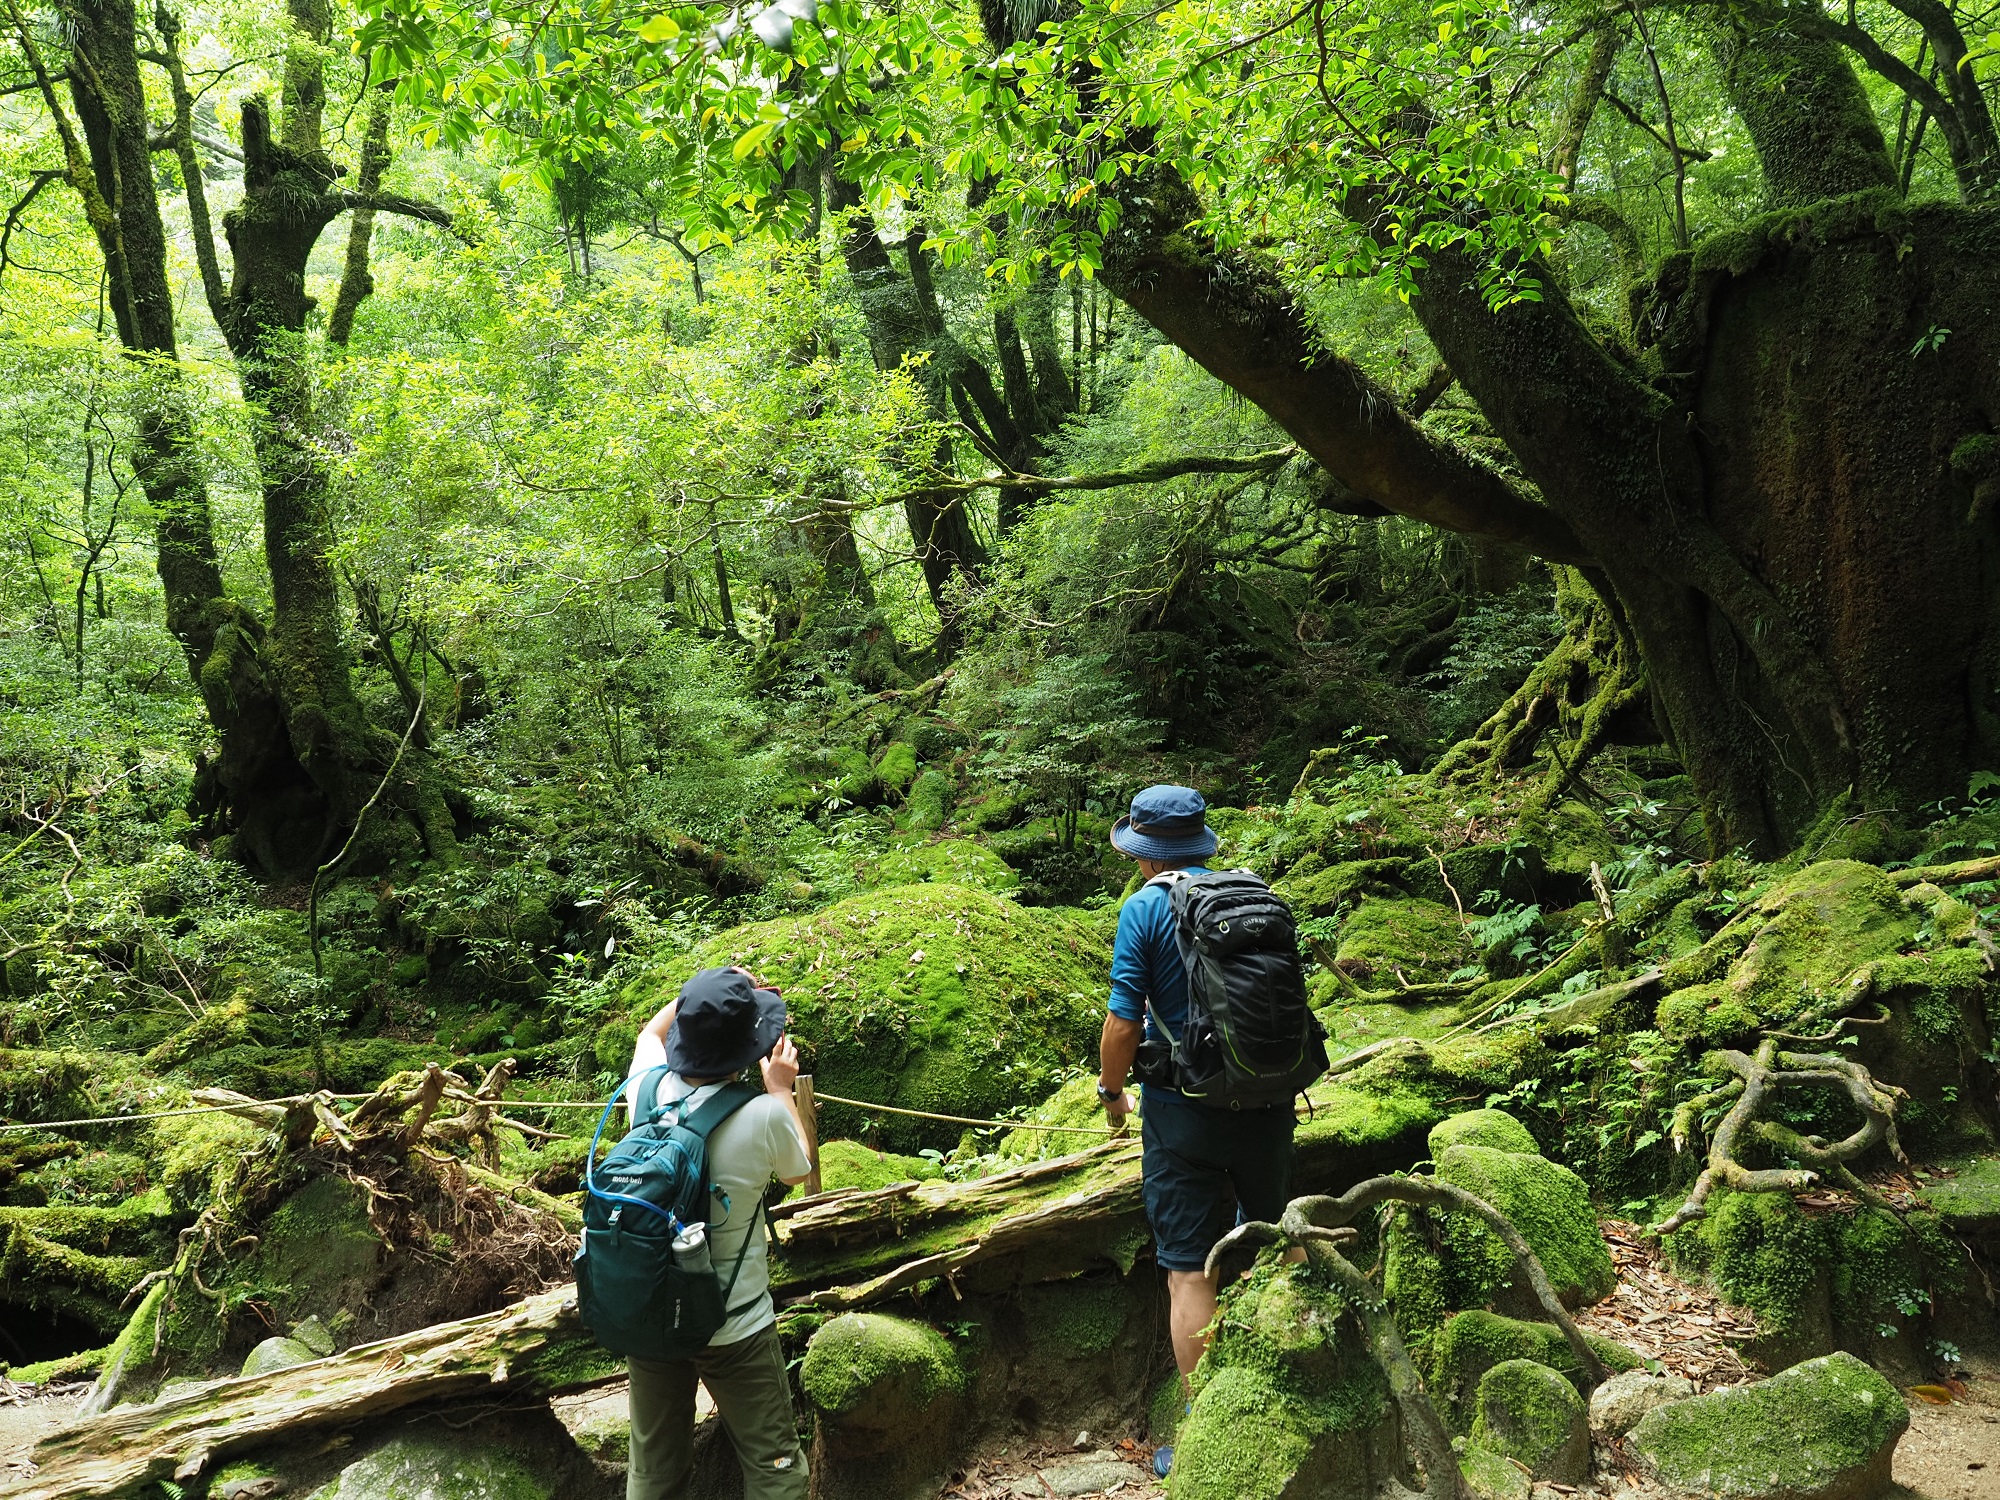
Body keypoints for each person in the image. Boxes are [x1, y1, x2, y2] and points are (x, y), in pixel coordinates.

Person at [1094, 784, 1296, 1475]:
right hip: (1269, 1102)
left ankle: (1207, 1433)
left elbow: (1123, 1023)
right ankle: (1307, 1380)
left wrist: (1111, 1094)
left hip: (1184, 1113)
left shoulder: (1145, 909)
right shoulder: (1256, 897)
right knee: (1282, 1241)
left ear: (1144, 853)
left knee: (1186, 1268)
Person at [623, 965, 815, 1500]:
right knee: (775, 1466)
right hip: (735, 1324)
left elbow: (649, 1034)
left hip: (654, 1314)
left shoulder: (645, 1088)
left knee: (654, 1472)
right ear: (746, 1047)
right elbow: (799, 1171)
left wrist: (698, 994)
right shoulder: (760, 1116)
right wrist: (778, 1087)